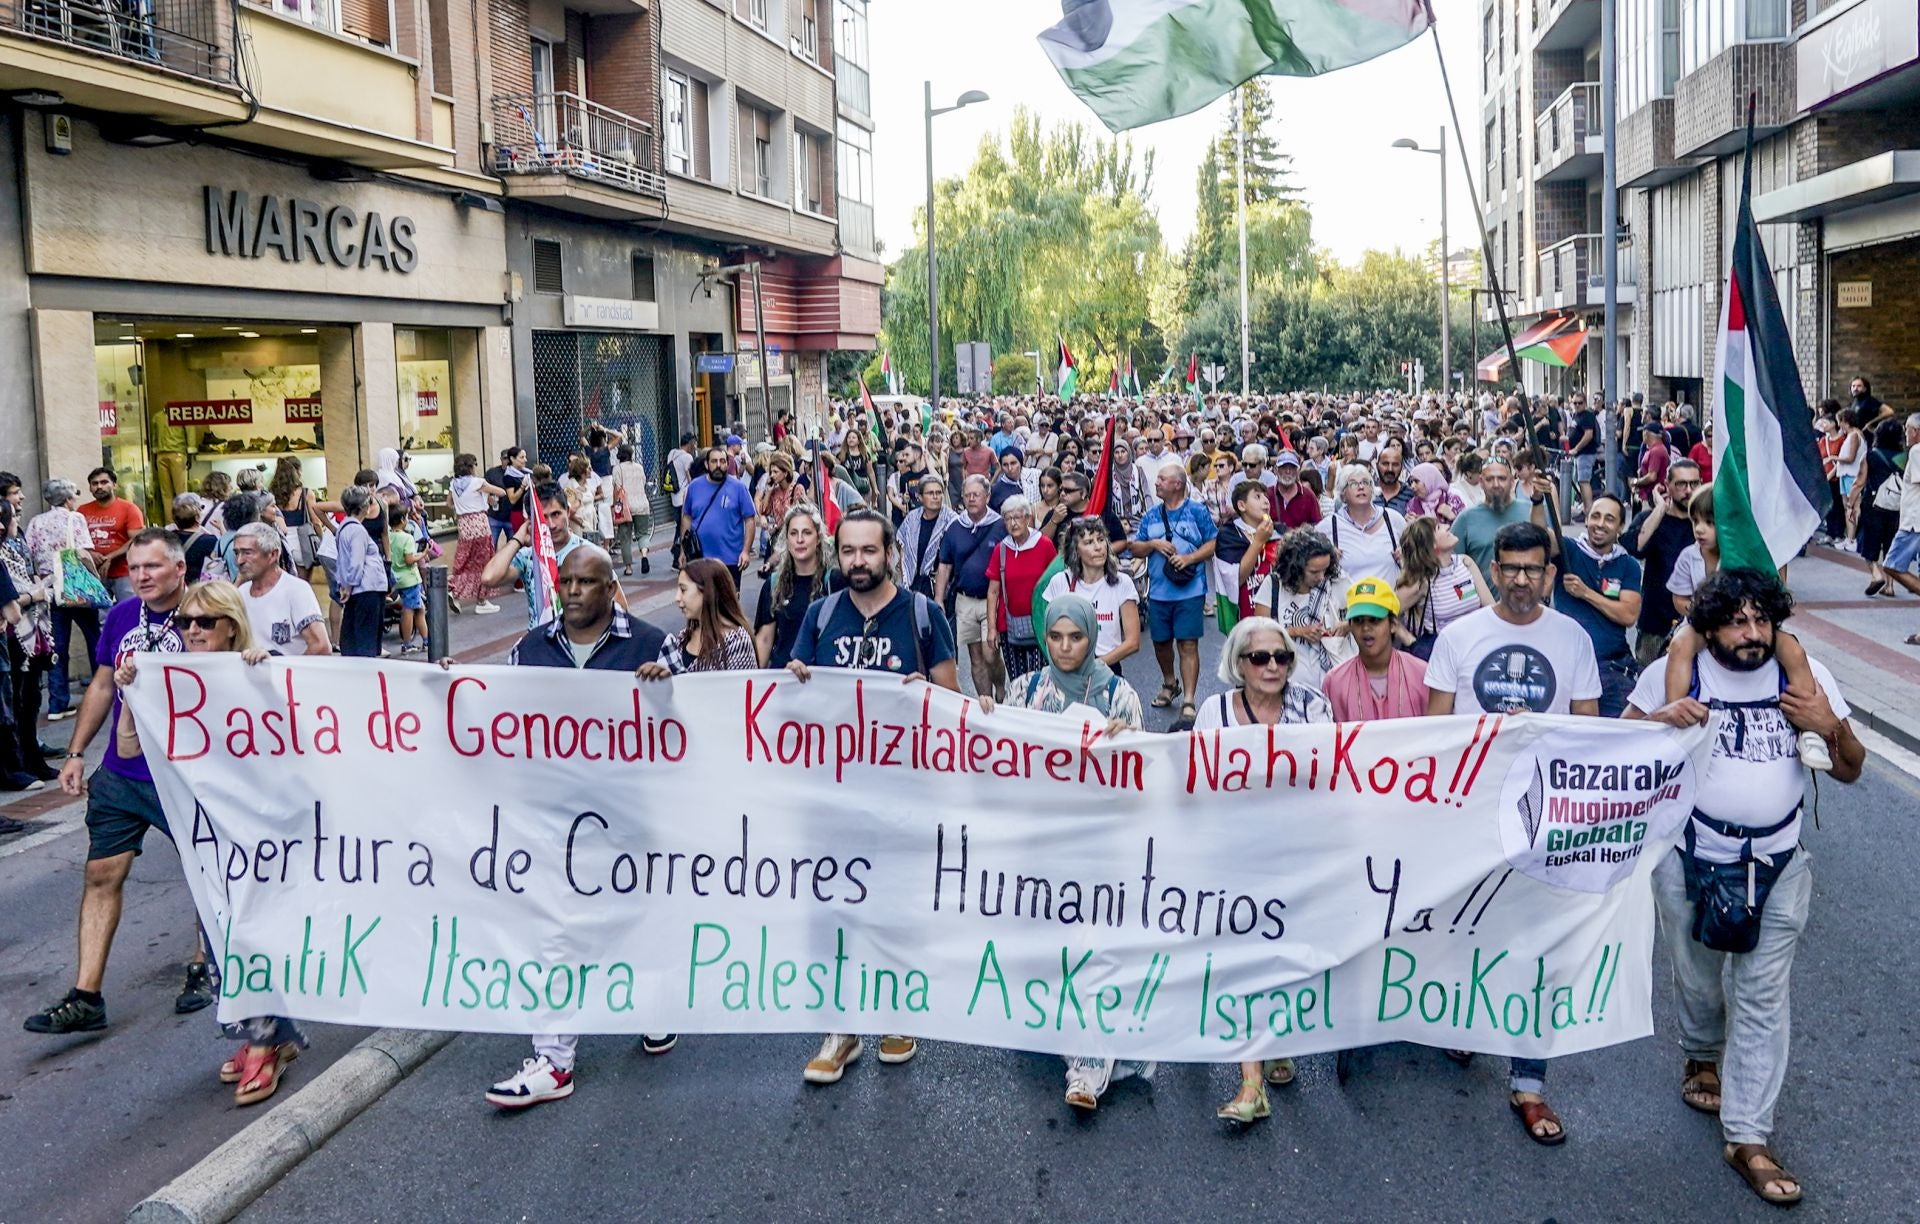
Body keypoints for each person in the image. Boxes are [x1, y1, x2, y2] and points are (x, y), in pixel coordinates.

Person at [1628, 569, 1864, 1206]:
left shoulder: (1804, 677)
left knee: (1762, 999)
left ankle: (1747, 1136)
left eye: (1762, 619)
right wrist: (1658, 723)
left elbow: (1850, 769)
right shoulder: (1675, 672)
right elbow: (1616, 757)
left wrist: (1828, 723)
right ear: (1710, 628)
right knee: (1698, 978)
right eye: (1737, 621)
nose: (1752, 633)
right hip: (1690, 861)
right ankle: (1701, 1052)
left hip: (1779, 865)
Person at [1426, 521, 1599, 1146]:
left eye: (1533, 569)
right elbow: (1435, 734)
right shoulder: (1459, 637)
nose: (1521, 580)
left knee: (1538, 947)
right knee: (1469, 930)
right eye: (1511, 568)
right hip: (1472, 815)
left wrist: (1539, 735)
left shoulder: (1573, 639)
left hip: (1543, 819)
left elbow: (1589, 732)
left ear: (1550, 574)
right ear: (1493, 571)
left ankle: (1529, 1082)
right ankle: (1466, 1022)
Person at [104, 578, 305, 1102]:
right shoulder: (167, 679)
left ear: (231, 626)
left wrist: (267, 669)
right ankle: (266, 1034)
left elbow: (304, 726)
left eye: (205, 621)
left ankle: (266, 1043)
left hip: (260, 832)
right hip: (205, 836)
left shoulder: (260, 668)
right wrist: (132, 696)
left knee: (249, 930)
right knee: (219, 933)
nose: (192, 630)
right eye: (185, 621)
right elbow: (128, 748)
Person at [483, 547, 670, 1109]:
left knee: (633, 920)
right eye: (565, 581)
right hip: (554, 821)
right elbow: (498, 712)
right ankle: (554, 1059)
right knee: (556, 931)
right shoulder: (531, 649)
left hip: (629, 819)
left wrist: (667, 691)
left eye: (585, 582)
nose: (571, 592)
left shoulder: (650, 644)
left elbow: (687, 727)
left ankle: (650, 1002)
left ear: (610, 589)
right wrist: (448, 688)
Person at [786, 509, 958, 1085]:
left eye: (869, 550)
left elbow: (953, 702)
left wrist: (927, 693)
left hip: (903, 795)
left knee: (895, 908)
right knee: (831, 911)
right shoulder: (821, 614)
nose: (858, 561)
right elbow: (792, 699)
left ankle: (897, 1012)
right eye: (849, 551)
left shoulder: (922, 614)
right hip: (832, 796)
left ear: (890, 554)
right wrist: (793, 684)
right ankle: (840, 1029)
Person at [24, 529, 208, 1034]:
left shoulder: (205, 612)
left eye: (153, 566)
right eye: (136, 567)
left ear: (179, 569)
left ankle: (206, 963)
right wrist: (76, 753)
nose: (142, 576)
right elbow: (103, 685)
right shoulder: (124, 615)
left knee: (206, 872)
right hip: (123, 772)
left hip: (186, 775)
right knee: (102, 873)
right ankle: (87, 996)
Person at [979, 593, 1149, 1110]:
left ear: (1092, 638)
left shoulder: (1119, 696)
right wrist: (984, 715)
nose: (1066, 647)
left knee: (1090, 953)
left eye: (1076, 637)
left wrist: (1128, 741)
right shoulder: (1025, 690)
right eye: (1055, 637)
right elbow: (999, 754)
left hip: (1099, 850)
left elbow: (1144, 776)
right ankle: (1062, 1032)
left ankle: (1086, 1068)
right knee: (1052, 952)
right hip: (1039, 846)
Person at [1193, 615, 1332, 1122]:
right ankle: (1250, 1084)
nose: (1272, 666)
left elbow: (1332, 774)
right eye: (1260, 658)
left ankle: (1277, 1040)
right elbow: (1194, 779)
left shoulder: (1313, 707)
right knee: (1244, 959)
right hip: (1235, 856)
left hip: (1297, 856)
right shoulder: (1214, 712)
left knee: (1285, 957)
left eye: (1282, 657)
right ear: (1239, 664)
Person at [1131, 459, 1217, 730]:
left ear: (1177, 484)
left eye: (1162, 479)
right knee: (1161, 643)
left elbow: (1213, 542)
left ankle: (1189, 698)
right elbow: (1136, 548)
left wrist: (1189, 558)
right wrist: (1153, 544)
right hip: (1158, 591)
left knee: (1188, 644)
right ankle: (1170, 682)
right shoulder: (1151, 515)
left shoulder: (1197, 511)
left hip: (1190, 590)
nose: (1156, 483)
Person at [1548, 493, 1643, 717]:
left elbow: (1628, 615)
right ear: (1587, 520)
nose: (1600, 524)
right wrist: (1537, 501)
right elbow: (1540, 537)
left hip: (1612, 666)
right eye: (1595, 516)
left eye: (1609, 519)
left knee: (1617, 731)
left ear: (1620, 527)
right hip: (1567, 665)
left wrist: (1586, 593)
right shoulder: (1568, 550)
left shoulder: (1628, 565)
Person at [29, 478, 101, 721]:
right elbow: (84, 552)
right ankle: (103, 692)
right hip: (75, 586)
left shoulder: (36, 521)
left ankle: (57, 704)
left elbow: (31, 552)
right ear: (68, 498)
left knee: (57, 646)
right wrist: (95, 578)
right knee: (94, 638)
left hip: (50, 588)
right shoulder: (75, 518)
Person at [934, 474, 1007, 701]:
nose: (971, 499)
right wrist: (938, 598)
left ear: (987, 496)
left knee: (990, 653)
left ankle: (1001, 690)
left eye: (976, 494)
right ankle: (985, 702)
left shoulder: (1000, 525)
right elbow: (944, 565)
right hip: (964, 599)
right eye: (967, 495)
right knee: (975, 657)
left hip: (991, 600)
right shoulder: (955, 527)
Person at [1254, 527, 1352, 691]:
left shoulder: (1335, 581)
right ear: (1296, 567)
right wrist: (1297, 631)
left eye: (1325, 569)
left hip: (1335, 685)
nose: (1321, 577)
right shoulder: (1273, 585)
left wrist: (1348, 625)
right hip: (1286, 686)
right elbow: (1259, 634)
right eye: (1314, 572)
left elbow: (1367, 614)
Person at [1038, 515, 1140, 672]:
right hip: (1069, 668)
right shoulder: (1060, 581)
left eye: (1101, 540)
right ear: (1076, 550)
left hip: (1106, 668)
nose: (1098, 547)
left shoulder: (1122, 582)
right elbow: (1047, 632)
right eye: (1089, 542)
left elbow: (1133, 642)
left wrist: (1095, 665)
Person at [1627, 459, 1704, 664]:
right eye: (1681, 484)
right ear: (1667, 485)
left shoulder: (1707, 525)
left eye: (1694, 483)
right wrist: (1660, 509)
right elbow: (1635, 547)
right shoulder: (1651, 519)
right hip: (1655, 626)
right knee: (1648, 677)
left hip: (1698, 623)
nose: (1689, 490)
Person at [1323, 579, 1428, 720]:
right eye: (1359, 621)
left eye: (1374, 620)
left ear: (1393, 624)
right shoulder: (1335, 682)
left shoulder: (1420, 674)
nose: (1366, 628)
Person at [754, 505, 841, 667]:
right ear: (787, 539)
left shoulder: (834, 581)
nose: (799, 539)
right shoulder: (773, 584)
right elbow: (764, 639)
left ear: (818, 538)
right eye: (793, 533)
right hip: (784, 676)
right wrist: (753, 677)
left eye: (807, 533)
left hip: (823, 676)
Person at [1394, 516, 1489, 661]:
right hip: (1443, 659)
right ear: (1431, 545)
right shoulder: (1422, 581)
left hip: (1476, 652)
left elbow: (1491, 608)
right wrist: (1409, 640)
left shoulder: (1465, 563)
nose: (1447, 526)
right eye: (1438, 528)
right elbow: (1384, 612)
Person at [984, 496, 1056, 683]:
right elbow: (993, 592)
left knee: (1039, 679)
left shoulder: (1044, 545)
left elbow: (1056, 584)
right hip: (1009, 626)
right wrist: (992, 628)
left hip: (1040, 623)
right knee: (1017, 680)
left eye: (1017, 517)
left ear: (1027, 518)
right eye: (1008, 519)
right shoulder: (1001, 550)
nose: (1013, 523)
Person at [231, 523, 330, 656]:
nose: (239, 561)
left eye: (247, 553)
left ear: (273, 555)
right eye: (236, 553)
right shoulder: (241, 593)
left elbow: (321, 646)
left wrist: (283, 667)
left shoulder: (296, 590)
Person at [646, 559, 759, 674]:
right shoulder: (683, 638)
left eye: (683, 590)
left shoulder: (737, 642)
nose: (677, 598)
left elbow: (739, 684)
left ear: (707, 591)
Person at [1319, 464, 1405, 589]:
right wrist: (1325, 560)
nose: (1361, 487)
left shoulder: (1393, 519)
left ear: (1372, 489)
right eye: (1353, 483)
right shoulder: (1328, 526)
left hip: (1389, 599)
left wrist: (1406, 556)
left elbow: (1415, 559)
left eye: (1365, 482)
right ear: (1343, 493)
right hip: (1346, 601)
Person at [680, 446, 758, 583]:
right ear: (706, 464)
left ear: (727, 464)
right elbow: (686, 518)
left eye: (722, 461)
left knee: (728, 596)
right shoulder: (694, 487)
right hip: (700, 559)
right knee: (702, 596)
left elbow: (750, 520)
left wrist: (745, 551)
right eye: (714, 461)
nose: (718, 465)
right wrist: (683, 551)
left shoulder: (738, 488)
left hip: (730, 559)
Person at [1450, 458, 1534, 583]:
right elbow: (1451, 566)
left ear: (1512, 481)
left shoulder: (1530, 511)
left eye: (1502, 478)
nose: (1496, 484)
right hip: (1482, 595)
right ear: (1481, 482)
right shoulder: (1466, 519)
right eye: (1489, 479)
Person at [333, 485, 390, 658]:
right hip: (367, 588)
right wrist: (349, 585)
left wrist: (344, 584)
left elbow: (343, 560)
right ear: (363, 507)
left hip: (357, 589)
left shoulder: (344, 528)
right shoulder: (358, 530)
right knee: (366, 640)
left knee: (352, 638)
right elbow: (356, 561)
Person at [448, 453, 506, 612]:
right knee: (484, 561)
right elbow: (501, 492)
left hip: (463, 523)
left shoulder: (454, 484)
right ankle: (482, 600)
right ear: (470, 467)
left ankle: (454, 589)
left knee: (463, 559)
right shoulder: (477, 482)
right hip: (479, 522)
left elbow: (449, 503)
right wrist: (486, 495)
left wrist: (463, 505)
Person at [81, 467, 146, 601]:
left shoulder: (129, 509)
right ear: (90, 488)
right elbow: (76, 541)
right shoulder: (82, 511)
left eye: (104, 482)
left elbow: (137, 539)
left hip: (124, 572)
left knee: (129, 610)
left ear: (114, 485)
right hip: (93, 573)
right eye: (95, 483)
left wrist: (110, 557)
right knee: (100, 613)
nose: (99, 487)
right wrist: (90, 553)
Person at [897, 476, 956, 598]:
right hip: (913, 583)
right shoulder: (912, 518)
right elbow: (902, 545)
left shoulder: (952, 521)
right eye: (930, 493)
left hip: (940, 586)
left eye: (938, 493)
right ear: (920, 497)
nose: (935, 497)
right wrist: (905, 573)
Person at [1668, 484, 1721, 620]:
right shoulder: (1688, 556)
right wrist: (1701, 611)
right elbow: (1679, 599)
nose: (1698, 529)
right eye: (1695, 521)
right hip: (1698, 621)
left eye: (1709, 522)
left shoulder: (1740, 557)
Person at [606, 444, 653, 579]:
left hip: (626, 507)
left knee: (625, 537)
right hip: (642, 504)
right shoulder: (639, 467)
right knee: (643, 534)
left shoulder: (617, 469)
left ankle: (628, 567)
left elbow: (617, 489)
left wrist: (615, 506)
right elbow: (643, 483)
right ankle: (644, 555)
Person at [387, 502, 426, 654]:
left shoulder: (388, 536)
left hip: (396, 579)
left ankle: (426, 640)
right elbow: (409, 559)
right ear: (403, 520)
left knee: (420, 609)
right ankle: (407, 643)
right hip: (410, 579)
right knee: (409, 611)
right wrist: (422, 555)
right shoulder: (407, 538)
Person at [485, 446, 531, 546]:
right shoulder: (493, 473)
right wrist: (488, 498)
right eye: (504, 458)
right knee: (492, 545)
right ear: (501, 459)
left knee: (514, 545)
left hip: (513, 515)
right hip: (495, 515)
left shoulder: (524, 473)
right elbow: (484, 489)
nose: (507, 461)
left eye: (507, 458)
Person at [664, 433, 698, 566]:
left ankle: (678, 555)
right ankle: (678, 555)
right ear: (690, 443)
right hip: (685, 496)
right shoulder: (687, 457)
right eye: (694, 444)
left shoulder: (672, 453)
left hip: (674, 497)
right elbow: (690, 477)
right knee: (683, 528)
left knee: (679, 527)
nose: (695, 447)